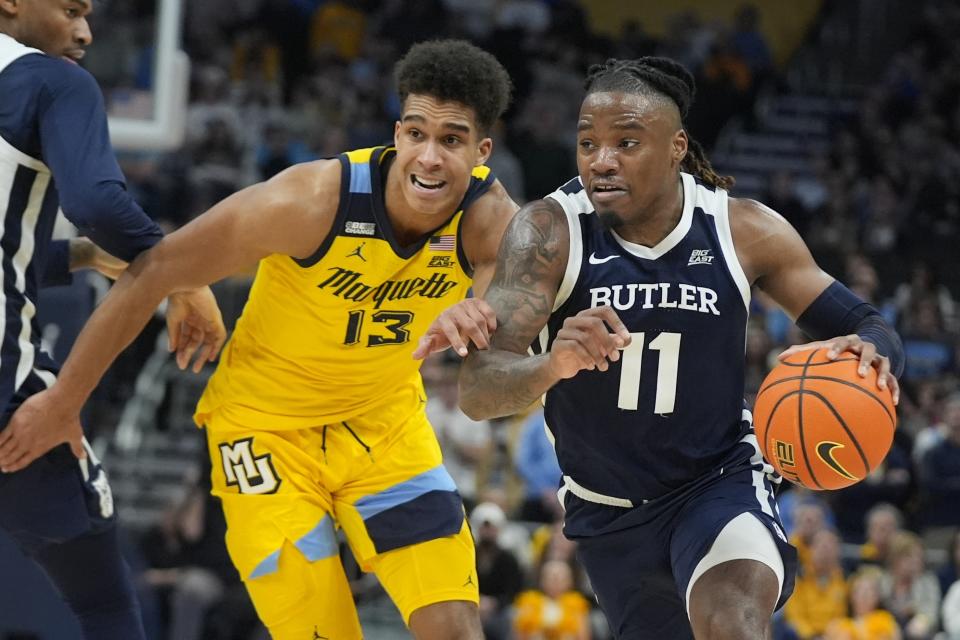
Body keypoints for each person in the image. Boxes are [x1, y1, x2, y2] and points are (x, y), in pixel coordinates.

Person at [1, 39, 517, 639]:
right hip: (264, 433)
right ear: (397, 132)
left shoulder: (490, 220)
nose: (429, 157)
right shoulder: (312, 199)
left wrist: (486, 323)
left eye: (451, 140)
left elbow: (498, 363)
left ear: (482, 151)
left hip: (384, 428)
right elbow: (151, 270)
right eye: (418, 134)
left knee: (456, 631)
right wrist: (64, 402)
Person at [455, 56, 904, 638]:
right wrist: (552, 363)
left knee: (733, 621)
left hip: (717, 481)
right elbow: (476, 389)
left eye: (627, 142)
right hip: (606, 509)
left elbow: (870, 324)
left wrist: (873, 355)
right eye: (587, 143)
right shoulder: (549, 232)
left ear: (676, 146)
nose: (602, 160)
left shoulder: (742, 229)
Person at [0, 2, 224, 639]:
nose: (85, 32)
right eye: (71, 8)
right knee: (102, 602)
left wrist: (83, 255)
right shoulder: (52, 80)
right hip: (6, 394)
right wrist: (179, 274)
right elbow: (98, 201)